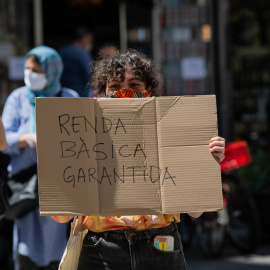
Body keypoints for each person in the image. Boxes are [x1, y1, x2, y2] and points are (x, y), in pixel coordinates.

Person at [52, 49, 225, 270]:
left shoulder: (170, 130)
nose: (125, 93)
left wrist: (206, 161)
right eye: (115, 87)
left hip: (160, 248)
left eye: (134, 86)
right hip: (101, 251)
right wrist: (57, 167)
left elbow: (195, 211)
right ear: (102, 93)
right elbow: (61, 217)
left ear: (149, 91)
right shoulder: (83, 136)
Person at [1, 46, 79, 270]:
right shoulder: (18, 99)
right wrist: (27, 138)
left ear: (51, 71)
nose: (30, 74)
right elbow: (4, 141)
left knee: (60, 247)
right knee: (26, 249)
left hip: (61, 188)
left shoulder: (68, 98)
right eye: (27, 69)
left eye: (36, 70)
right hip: (27, 188)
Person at [59, 26, 94, 97]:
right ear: (84, 39)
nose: (91, 43)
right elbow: (91, 78)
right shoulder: (82, 54)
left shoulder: (62, 51)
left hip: (61, 96)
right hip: (79, 97)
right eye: (90, 40)